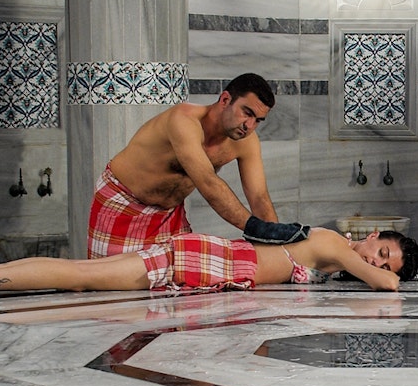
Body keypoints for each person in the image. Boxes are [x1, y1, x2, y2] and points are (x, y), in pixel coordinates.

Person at [89, 72, 308, 259]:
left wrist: (278, 247)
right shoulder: (183, 120)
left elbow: (259, 198)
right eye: (247, 113)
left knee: (177, 286)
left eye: (258, 120)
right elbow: (207, 182)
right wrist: (257, 229)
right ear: (225, 100)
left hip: (169, 215)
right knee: (108, 285)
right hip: (123, 202)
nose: (249, 125)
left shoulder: (246, 142)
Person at [0, 227, 418, 299]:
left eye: (386, 262)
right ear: (373, 236)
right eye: (382, 252)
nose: (376, 262)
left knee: (84, 278)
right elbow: (389, 290)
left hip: (213, 264)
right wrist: (385, 275)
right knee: (81, 276)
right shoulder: (336, 244)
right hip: (206, 260)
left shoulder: (333, 253)